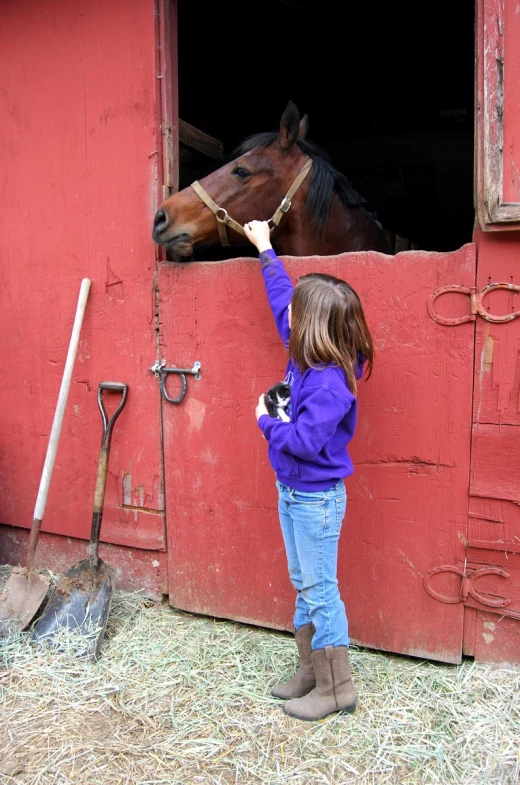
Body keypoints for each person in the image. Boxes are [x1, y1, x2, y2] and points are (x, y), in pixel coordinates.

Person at [242, 219, 374, 722]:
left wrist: (266, 419)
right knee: (304, 582)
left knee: (321, 589)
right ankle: (310, 671)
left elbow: (302, 441)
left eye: (296, 313)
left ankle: (337, 688)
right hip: (294, 493)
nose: (288, 315)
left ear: (313, 326)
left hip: (317, 499)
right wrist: (266, 251)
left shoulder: (329, 385)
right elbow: (281, 301)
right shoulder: (305, 353)